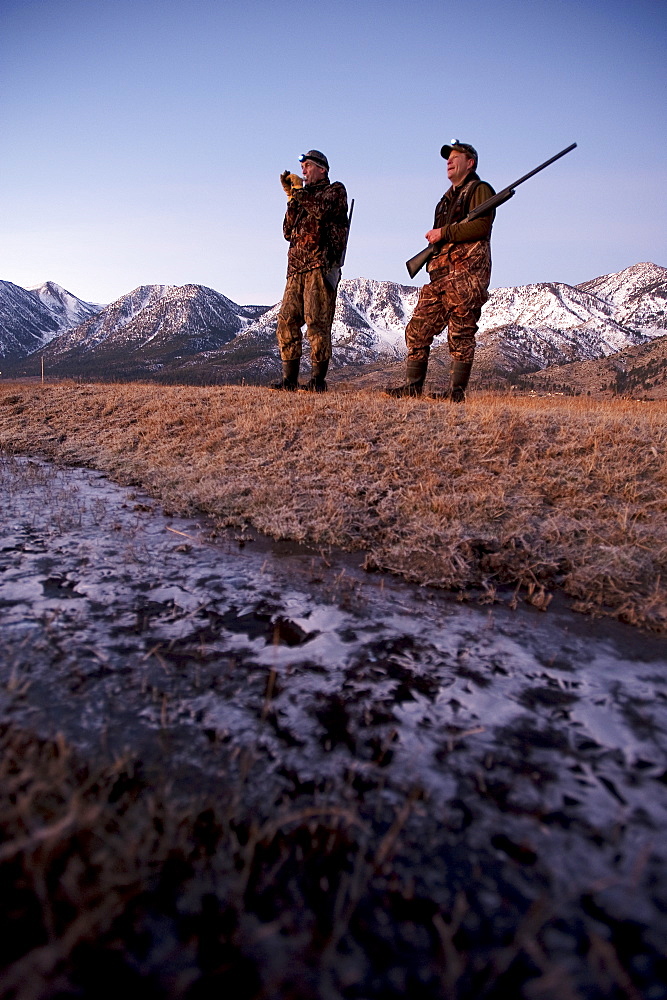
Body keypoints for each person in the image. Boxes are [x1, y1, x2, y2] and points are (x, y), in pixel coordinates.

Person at [388, 141, 495, 401]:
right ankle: (413, 387)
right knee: (417, 329)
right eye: (448, 157)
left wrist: (444, 233)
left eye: (457, 156)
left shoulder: (480, 190)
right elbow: (442, 237)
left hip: (466, 274)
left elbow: (481, 227)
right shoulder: (445, 200)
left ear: (470, 163)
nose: (450, 160)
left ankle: (455, 393)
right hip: (440, 275)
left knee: (460, 332)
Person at [272, 150, 349, 392]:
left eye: (308, 166)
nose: (303, 171)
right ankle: (289, 380)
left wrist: (300, 192)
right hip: (295, 268)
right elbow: (287, 231)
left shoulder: (335, 191)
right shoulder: (302, 197)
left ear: (322, 169)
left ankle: (317, 381)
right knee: (286, 322)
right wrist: (291, 198)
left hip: (320, 265)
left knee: (317, 322)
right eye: (302, 167)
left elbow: (323, 211)